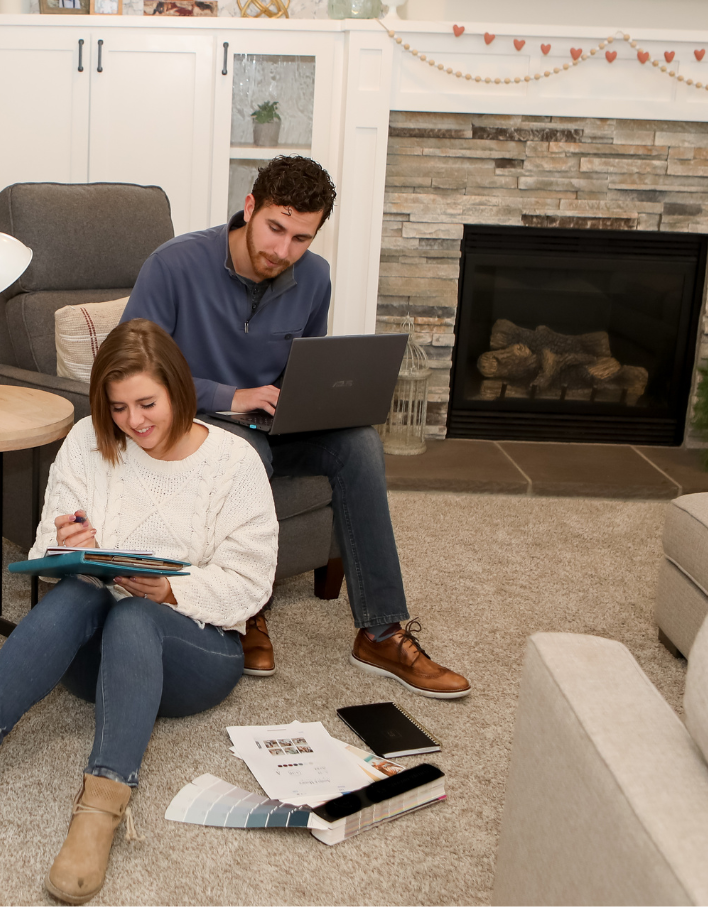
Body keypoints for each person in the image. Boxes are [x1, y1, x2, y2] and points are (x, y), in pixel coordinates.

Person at [0, 319, 277, 904]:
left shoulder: (234, 463)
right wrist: (65, 544)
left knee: (137, 614)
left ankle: (103, 804)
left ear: (179, 390)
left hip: (195, 653)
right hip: (93, 657)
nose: (134, 421)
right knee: (81, 591)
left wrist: (168, 592)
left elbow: (250, 583)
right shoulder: (88, 440)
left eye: (147, 403)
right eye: (118, 408)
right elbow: (44, 554)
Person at [120, 156, 471, 699]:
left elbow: (301, 371)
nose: (283, 252)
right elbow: (133, 369)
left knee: (358, 444)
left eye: (301, 239)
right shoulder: (173, 265)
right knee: (247, 457)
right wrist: (229, 396)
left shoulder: (315, 278)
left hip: (271, 424)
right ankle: (245, 612)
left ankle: (380, 630)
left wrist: (315, 401)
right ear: (250, 208)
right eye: (275, 229)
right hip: (197, 425)